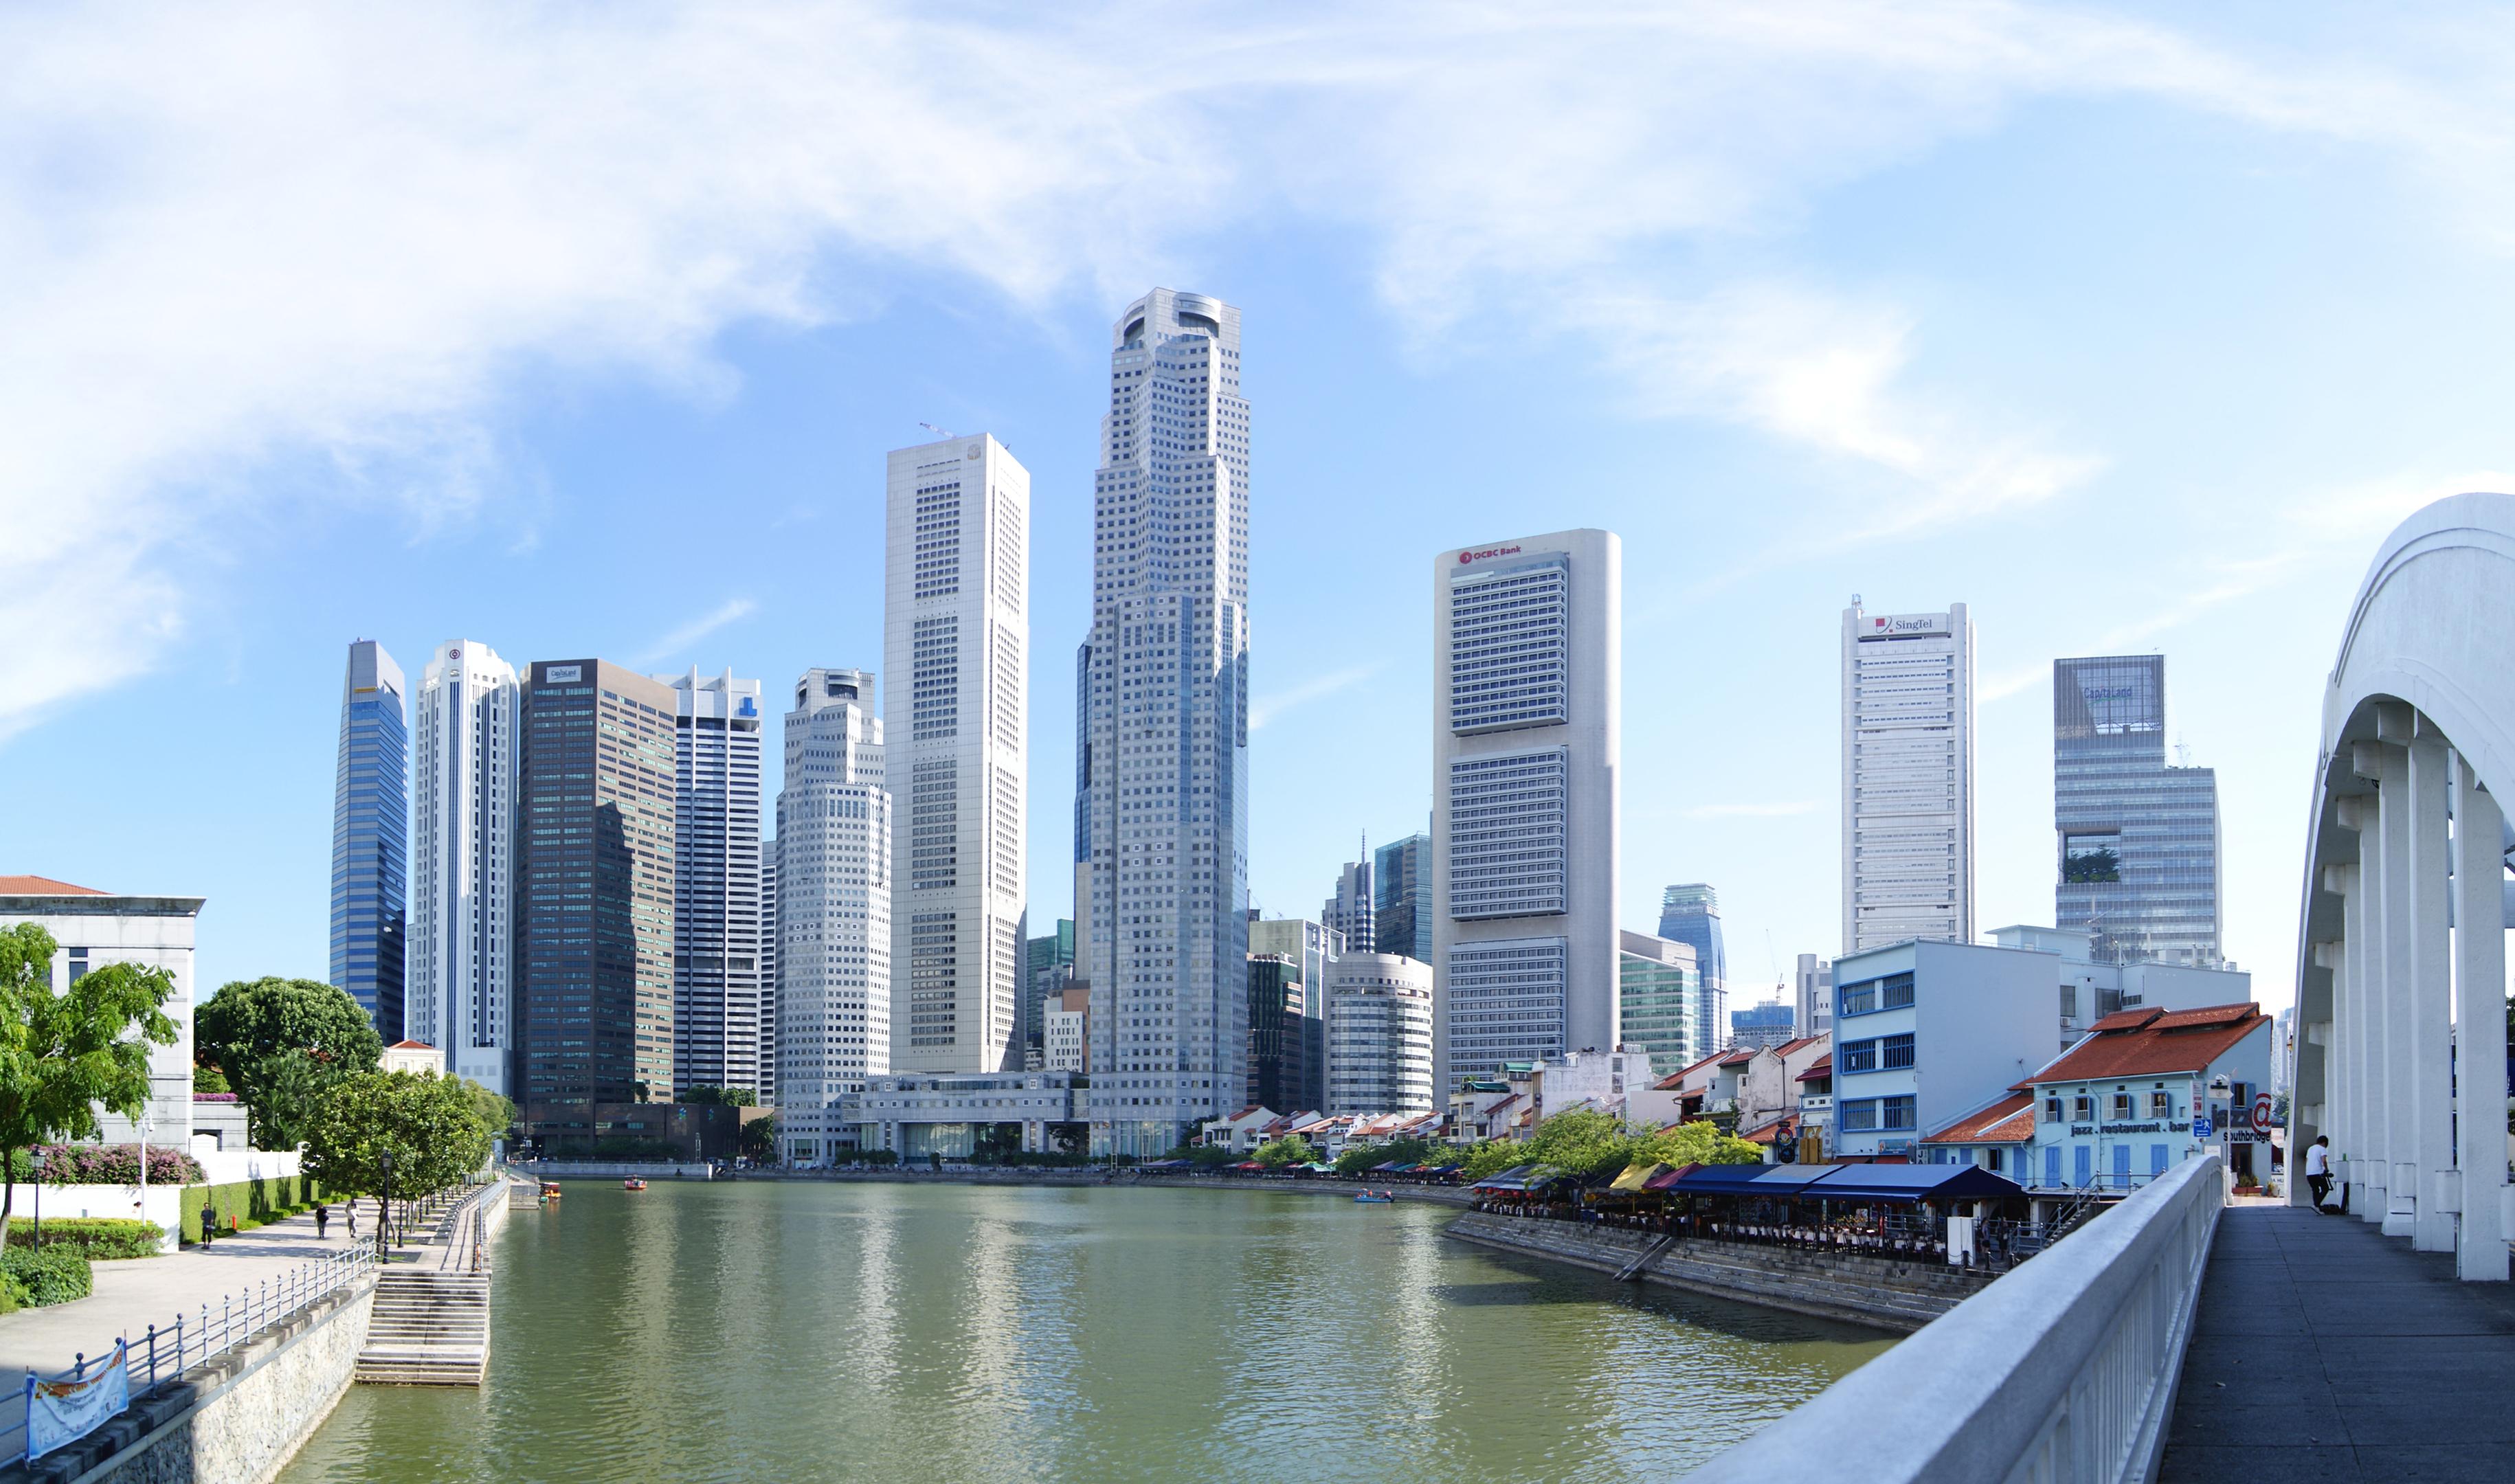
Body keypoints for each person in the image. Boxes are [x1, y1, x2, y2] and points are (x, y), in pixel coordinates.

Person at [2305, 1136, 2334, 1213]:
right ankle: (2316, 1205)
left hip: (2309, 1173)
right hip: (2318, 1172)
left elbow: (2307, 1161)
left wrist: (2307, 1173)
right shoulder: (2322, 1149)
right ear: (2324, 1143)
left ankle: (2317, 1208)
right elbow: (2324, 1160)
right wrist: (2326, 1169)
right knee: (2325, 1188)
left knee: (2315, 1190)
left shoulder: (2310, 1149)